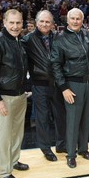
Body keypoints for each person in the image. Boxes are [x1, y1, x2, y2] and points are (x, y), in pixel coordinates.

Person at [0, 9, 29, 178]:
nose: (15, 26)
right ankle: (4, 172)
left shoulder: (20, 41)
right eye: (11, 23)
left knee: (17, 132)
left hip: (19, 94)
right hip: (4, 96)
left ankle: (13, 160)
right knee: (4, 135)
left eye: (18, 23)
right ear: (4, 22)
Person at [51, 8, 89, 168]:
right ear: (67, 20)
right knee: (72, 120)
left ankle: (83, 148)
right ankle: (71, 154)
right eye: (73, 18)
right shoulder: (60, 39)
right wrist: (63, 88)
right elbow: (55, 65)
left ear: (82, 20)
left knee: (85, 118)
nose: (76, 21)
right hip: (72, 84)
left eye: (78, 18)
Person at [22, 10, 66, 162]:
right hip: (39, 84)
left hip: (57, 84)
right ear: (36, 22)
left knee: (60, 116)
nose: (45, 24)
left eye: (48, 22)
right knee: (42, 118)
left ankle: (61, 145)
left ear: (53, 24)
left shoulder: (59, 37)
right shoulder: (27, 39)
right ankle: (46, 149)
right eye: (42, 21)